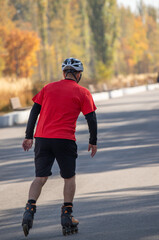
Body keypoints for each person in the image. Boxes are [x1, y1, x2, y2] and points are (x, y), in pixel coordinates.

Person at [21, 57, 97, 236]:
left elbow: (34, 112)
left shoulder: (48, 88)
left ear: (64, 73)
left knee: (40, 178)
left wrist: (28, 136)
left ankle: (29, 210)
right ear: (78, 75)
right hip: (65, 140)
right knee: (69, 178)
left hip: (42, 139)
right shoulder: (83, 92)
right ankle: (67, 216)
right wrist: (93, 140)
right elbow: (91, 118)